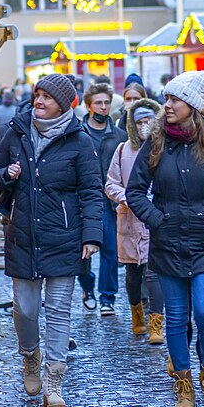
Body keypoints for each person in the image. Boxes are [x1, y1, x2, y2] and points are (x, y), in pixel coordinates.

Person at [126, 71, 204, 407]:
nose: (167, 105)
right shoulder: (156, 141)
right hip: (167, 245)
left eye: (174, 99)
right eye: (166, 99)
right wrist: (156, 218)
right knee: (176, 318)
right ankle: (184, 388)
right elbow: (135, 190)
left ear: (192, 105)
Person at [0, 73, 103, 407]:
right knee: (25, 309)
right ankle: (30, 355)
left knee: (58, 310)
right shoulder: (15, 131)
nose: (38, 101)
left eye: (46, 98)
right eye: (37, 95)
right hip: (23, 233)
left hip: (64, 235)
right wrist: (6, 175)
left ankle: (54, 378)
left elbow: (92, 191)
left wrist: (92, 235)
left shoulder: (80, 141)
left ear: (62, 104)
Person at [104, 97, 165, 344]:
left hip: (154, 218)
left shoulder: (163, 148)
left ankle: (155, 324)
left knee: (154, 272)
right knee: (133, 274)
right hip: (129, 219)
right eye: (139, 122)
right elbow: (111, 183)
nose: (143, 126)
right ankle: (136, 313)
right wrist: (128, 198)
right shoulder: (122, 150)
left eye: (148, 121)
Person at [80, 83, 127, 315]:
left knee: (110, 250)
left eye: (107, 102)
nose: (103, 107)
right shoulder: (78, 134)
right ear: (89, 106)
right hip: (84, 201)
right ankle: (87, 287)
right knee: (83, 251)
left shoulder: (119, 135)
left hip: (109, 201)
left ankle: (107, 297)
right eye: (98, 102)